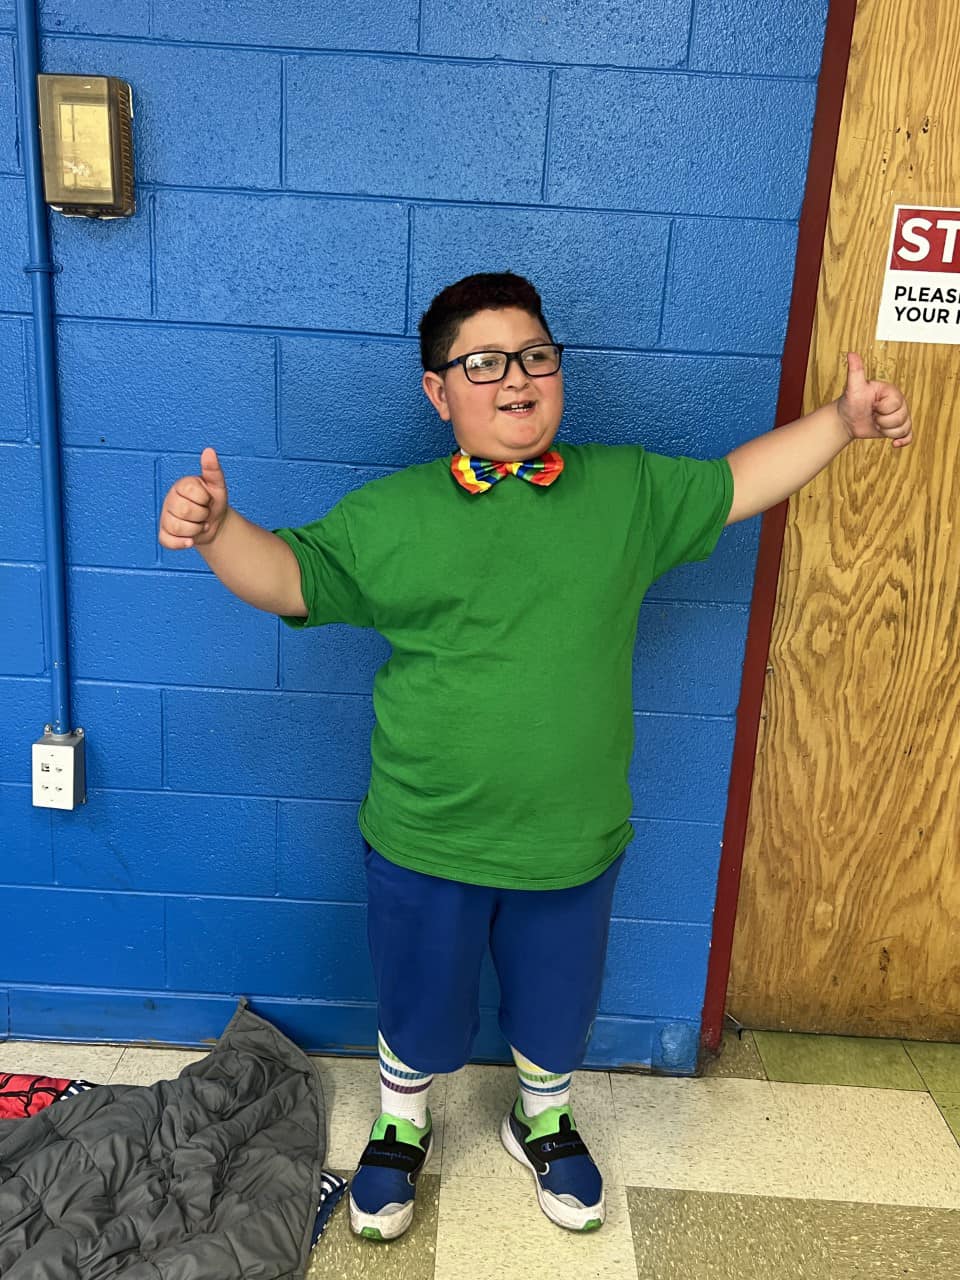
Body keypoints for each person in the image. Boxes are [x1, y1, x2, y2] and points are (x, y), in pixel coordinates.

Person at [157, 272, 913, 1241]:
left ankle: (540, 1117)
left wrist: (844, 420)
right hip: (426, 830)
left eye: (535, 356)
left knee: (556, 1002)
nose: (515, 378)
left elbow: (741, 481)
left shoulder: (625, 490)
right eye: (482, 362)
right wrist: (220, 530)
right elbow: (291, 575)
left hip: (571, 834)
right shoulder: (392, 513)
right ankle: (402, 1122)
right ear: (439, 391)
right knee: (418, 999)